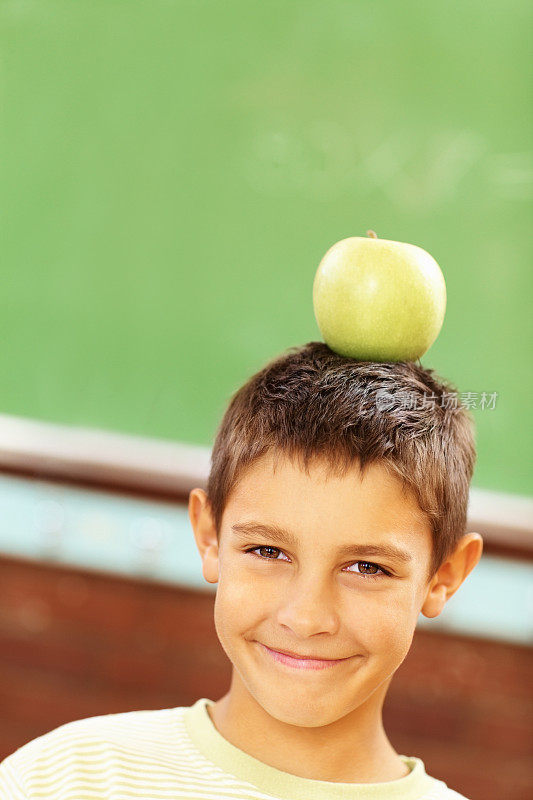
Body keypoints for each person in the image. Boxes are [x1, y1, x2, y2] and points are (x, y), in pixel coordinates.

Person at [0, 342, 483, 799]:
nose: (306, 617)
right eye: (269, 552)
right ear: (210, 536)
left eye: (367, 567)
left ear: (443, 576)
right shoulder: (63, 780)